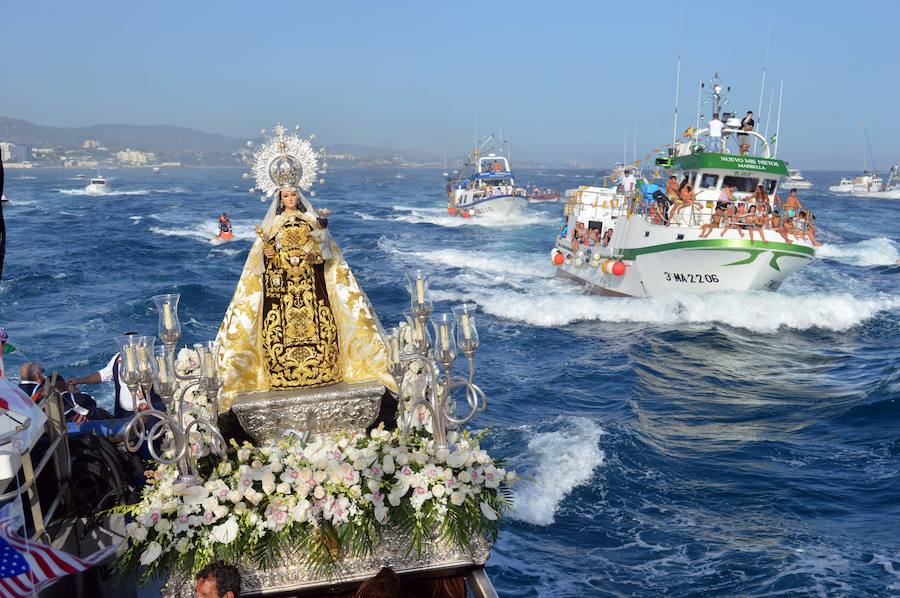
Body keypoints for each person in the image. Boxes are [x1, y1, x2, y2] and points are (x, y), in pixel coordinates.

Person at [67, 333, 164, 418]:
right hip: (124, 413)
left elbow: (158, 379)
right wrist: (79, 381)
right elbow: (102, 375)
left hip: (147, 410)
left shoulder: (146, 361)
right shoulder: (117, 359)